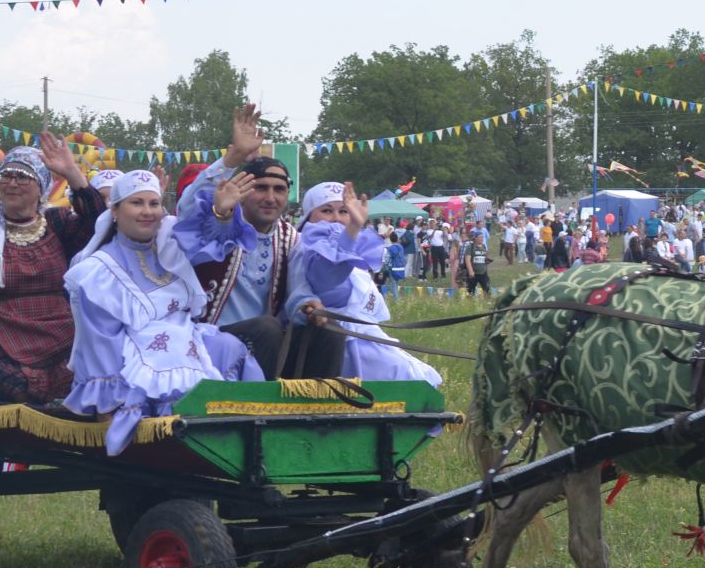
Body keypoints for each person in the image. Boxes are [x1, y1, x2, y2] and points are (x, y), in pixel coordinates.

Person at [63, 171, 261, 455]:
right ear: (115, 211)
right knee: (170, 360)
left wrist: (221, 211)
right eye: (137, 203)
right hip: (132, 357)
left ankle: (244, 442)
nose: (147, 212)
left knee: (230, 347)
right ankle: (181, 447)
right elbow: (99, 342)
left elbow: (212, 239)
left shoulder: (169, 245)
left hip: (186, 337)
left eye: (154, 204)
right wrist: (106, 407)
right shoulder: (97, 270)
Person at [177, 104, 343, 380]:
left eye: (279, 190)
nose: (270, 197)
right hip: (213, 340)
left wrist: (309, 306)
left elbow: (299, 289)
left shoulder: (291, 239)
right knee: (267, 328)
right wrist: (233, 158)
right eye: (261, 188)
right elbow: (186, 209)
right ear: (243, 190)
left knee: (330, 327)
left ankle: (323, 415)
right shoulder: (221, 225)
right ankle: (259, 415)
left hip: (269, 343)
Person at [0, 137, 104, 411]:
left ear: (41, 187)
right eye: (6, 175)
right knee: (16, 386)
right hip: (4, 341)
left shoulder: (57, 223)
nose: (12, 182)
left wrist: (71, 172)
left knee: (93, 379)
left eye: (23, 176)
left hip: (62, 335)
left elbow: (98, 223)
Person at [285, 182, 442, 385]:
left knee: (420, 379)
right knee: (407, 380)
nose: (337, 218)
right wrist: (351, 230)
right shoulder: (308, 250)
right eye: (326, 210)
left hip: (365, 339)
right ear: (308, 217)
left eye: (344, 211)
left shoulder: (349, 248)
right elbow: (327, 276)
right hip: (345, 346)